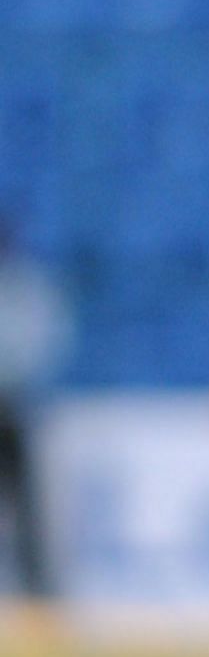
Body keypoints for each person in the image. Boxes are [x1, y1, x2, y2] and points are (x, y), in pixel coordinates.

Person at [0, 219, 70, 598]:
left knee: (27, 512)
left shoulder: (25, 286)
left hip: (13, 408)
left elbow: (41, 342)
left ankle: (36, 595)